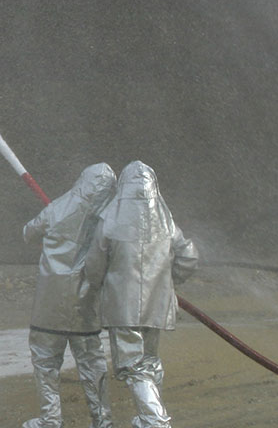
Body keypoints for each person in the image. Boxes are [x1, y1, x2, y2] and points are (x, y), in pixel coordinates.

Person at [85, 161, 199, 428]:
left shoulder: (109, 221)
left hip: (121, 307)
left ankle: (154, 419)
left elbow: (93, 265)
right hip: (157, 306)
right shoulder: (166, 222)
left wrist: (97, 287)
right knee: (148, 361)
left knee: (133, 366)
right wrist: (170, 281)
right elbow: (189, 256)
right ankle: (150, 413)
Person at [22, 163, 117, 428]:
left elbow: (28, 233)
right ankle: (102, 421)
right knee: (92, 362)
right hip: (84, 305)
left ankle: (50, 420)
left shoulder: (56, 208)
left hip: (49, 305)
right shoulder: (110, 217)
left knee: (45, 362)